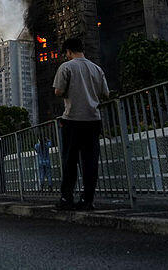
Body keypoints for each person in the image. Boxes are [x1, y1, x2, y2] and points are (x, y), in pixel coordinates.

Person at [53, 37, 111, 211]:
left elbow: (58, 91)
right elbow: (106, 94)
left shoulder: (66, 67)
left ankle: (67, 198)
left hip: (72, 119)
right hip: (93, 120)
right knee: (90, 161)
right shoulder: (97, 69)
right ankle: (88, 200)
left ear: (69, 51)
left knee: (70, 161)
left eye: (66, 53)